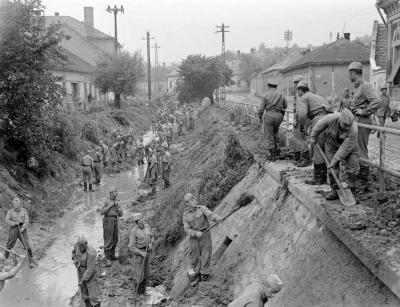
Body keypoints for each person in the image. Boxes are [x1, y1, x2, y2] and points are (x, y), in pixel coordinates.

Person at [310, 109, 360, 200]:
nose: (348, 127)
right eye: (345, 125)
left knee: (353, 165)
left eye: (349, 125)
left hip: (348, 145)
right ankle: (335, 190)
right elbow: (318, 126)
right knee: (332, 167)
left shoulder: (353, 129)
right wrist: (314, 136)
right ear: (340, 120)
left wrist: (335, 160)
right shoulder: (330, 118)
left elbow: (344, 149)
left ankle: (351, 190)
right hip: (331, 142)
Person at [348, 62, 381, 191]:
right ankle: (359, 177)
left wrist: (365, 111)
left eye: (349, 73)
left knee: (361, 149)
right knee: (356, 149)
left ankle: (363, 180)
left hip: (362, 120)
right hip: (357, 121)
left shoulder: (365, 85)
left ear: (352, 73)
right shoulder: (358, 87)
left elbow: (377, 100)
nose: (349, 76)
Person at [297, 81, 333, 185]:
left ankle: (319, 178)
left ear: (300, 90)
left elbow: (302, 115)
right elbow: (330, 109)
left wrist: (302, 127)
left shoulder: (303, 98)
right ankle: (326, 176)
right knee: (327, 149)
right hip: (329, 119)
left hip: (319, 120)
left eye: (298, 91)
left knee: (316, 147)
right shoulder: (316, 97)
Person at [183, 193, 222, 286]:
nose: (194, 201)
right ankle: (196, 275)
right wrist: (195, 233)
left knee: (206, 254)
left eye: (194, 199)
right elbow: (187, 229)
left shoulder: (202, 208)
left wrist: (218, 218)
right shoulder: (185, 215)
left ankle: (205, 275)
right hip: (194, 238)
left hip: (205, 234)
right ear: (187, 204)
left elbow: (211, 215)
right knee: (194, 256)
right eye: (191, 201)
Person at [257, 79, 287, 160]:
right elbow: (285, 106)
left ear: (268, 86)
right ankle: (278, 151)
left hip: (269, 115)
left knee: (269, 134)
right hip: (279, 116)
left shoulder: (265, 95)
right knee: (276, 132)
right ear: (276, 86)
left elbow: (261, 109)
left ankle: (272, 154)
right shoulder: (281, 94)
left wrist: (259, 117)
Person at [72, 237, 101, 307]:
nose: (81, 248)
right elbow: (73, 253)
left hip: (91, 273)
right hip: (81, 270)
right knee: (84, 294)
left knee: (93, 296)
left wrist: (83, 280)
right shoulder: (76, 246)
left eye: (83, 246)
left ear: (86, 244)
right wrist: (74, 259)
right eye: (80, 246)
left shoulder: (91, 253)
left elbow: (90, 269)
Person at [128, 213, 153, 295]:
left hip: (147, 251)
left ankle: (144, 290)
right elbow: (131, 247)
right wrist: (141, 253)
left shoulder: (147, 227)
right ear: (137, 222)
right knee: (138, 273)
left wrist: (151, 244)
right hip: (138, 254)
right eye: (141, 219)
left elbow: (152, 237)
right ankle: (138, 292)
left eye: (142, 218)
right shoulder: (133, 231)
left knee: (146, 271)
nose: (143, 220)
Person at [5, 197, 33, 264]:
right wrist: (14, 223)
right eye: (15, 204)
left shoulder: (24, 211)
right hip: (14, 229)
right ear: (13, 205)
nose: (17, 206)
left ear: (20, 204)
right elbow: (7, 220)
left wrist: (23, 227)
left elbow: (27, 221)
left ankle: (31, 259)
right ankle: (4, 259)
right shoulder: (10, 212)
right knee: (9, 244)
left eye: (18, 204)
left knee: (27, 244)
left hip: (22, 228)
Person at [100, 187, 123, 266]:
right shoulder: (106, 201)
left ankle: (112, 255)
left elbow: (121, 214)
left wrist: (117, 207)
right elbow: (102, 212)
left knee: (115, 238)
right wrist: (110, 206)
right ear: (111, 193)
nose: (117, 193)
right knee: (108, 239)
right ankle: (107, 258)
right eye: (115, 191)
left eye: (117, 191)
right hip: (108, 220)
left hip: (115, 220)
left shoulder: (118, 202)